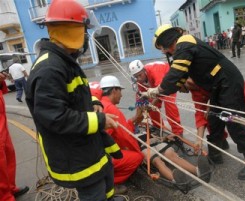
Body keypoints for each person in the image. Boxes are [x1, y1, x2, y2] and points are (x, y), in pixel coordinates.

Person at [24, 1, 123, 200]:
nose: (86, 37)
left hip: (87, 147)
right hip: (76, 157)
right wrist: (101, 120)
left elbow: (77, 95)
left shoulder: (64, 61)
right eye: (84, 31)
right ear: (71, 30)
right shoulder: (49, 69)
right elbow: (56, 118)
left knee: (105, 180)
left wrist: (95, 102)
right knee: (94, 191)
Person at [143, 24, 245, 180]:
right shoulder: (186, 53)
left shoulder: (185, 41)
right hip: (219, 85)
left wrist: (157, 89)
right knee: (214, 120)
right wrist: (158, 94)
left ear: (168, 41)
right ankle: (216, 155)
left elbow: (175, 74)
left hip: (228, 81)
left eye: (164, 48)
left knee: (235, 123)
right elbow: (178, 81)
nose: (166, 52)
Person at [181, 78, 245, 153]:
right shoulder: (195, 92)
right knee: (211, 119)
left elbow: (221, 84)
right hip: (222, 100)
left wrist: (210, 104)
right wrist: (199, 140)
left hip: (238, 93)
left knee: (238, 126)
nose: (178, 91)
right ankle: (221, 141)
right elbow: (200, 113)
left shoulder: (202, 75)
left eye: (176, 88)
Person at [98, 75, 144, 191]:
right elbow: (126, 136)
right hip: (101, 157)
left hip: (94, 152)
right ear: (114, 90)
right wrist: (137, 150)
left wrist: (133, 119)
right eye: (120, 91)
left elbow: (118, 129)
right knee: (137, 157)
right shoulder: (112, 109)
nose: (122, 95)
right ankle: (109, 184)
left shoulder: (100, 104)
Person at [128, 60, 183, 136]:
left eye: (140, 75)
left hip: (167, 82)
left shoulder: (155, 71)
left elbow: (162, 91)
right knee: (149, 105)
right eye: (136, 76)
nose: (139, 78)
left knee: (168, 102)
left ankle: (178, 132)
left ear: (144, 70)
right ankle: (158, 127)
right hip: (155, 86)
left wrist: (151, 105)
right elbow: (140, 99)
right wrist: (138, 117)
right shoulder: (138, 80)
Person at [0, 72, 29, 200]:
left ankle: (10, 188)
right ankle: (5, 197)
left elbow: (3, 91)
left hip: (1, 121)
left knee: (8, 154)